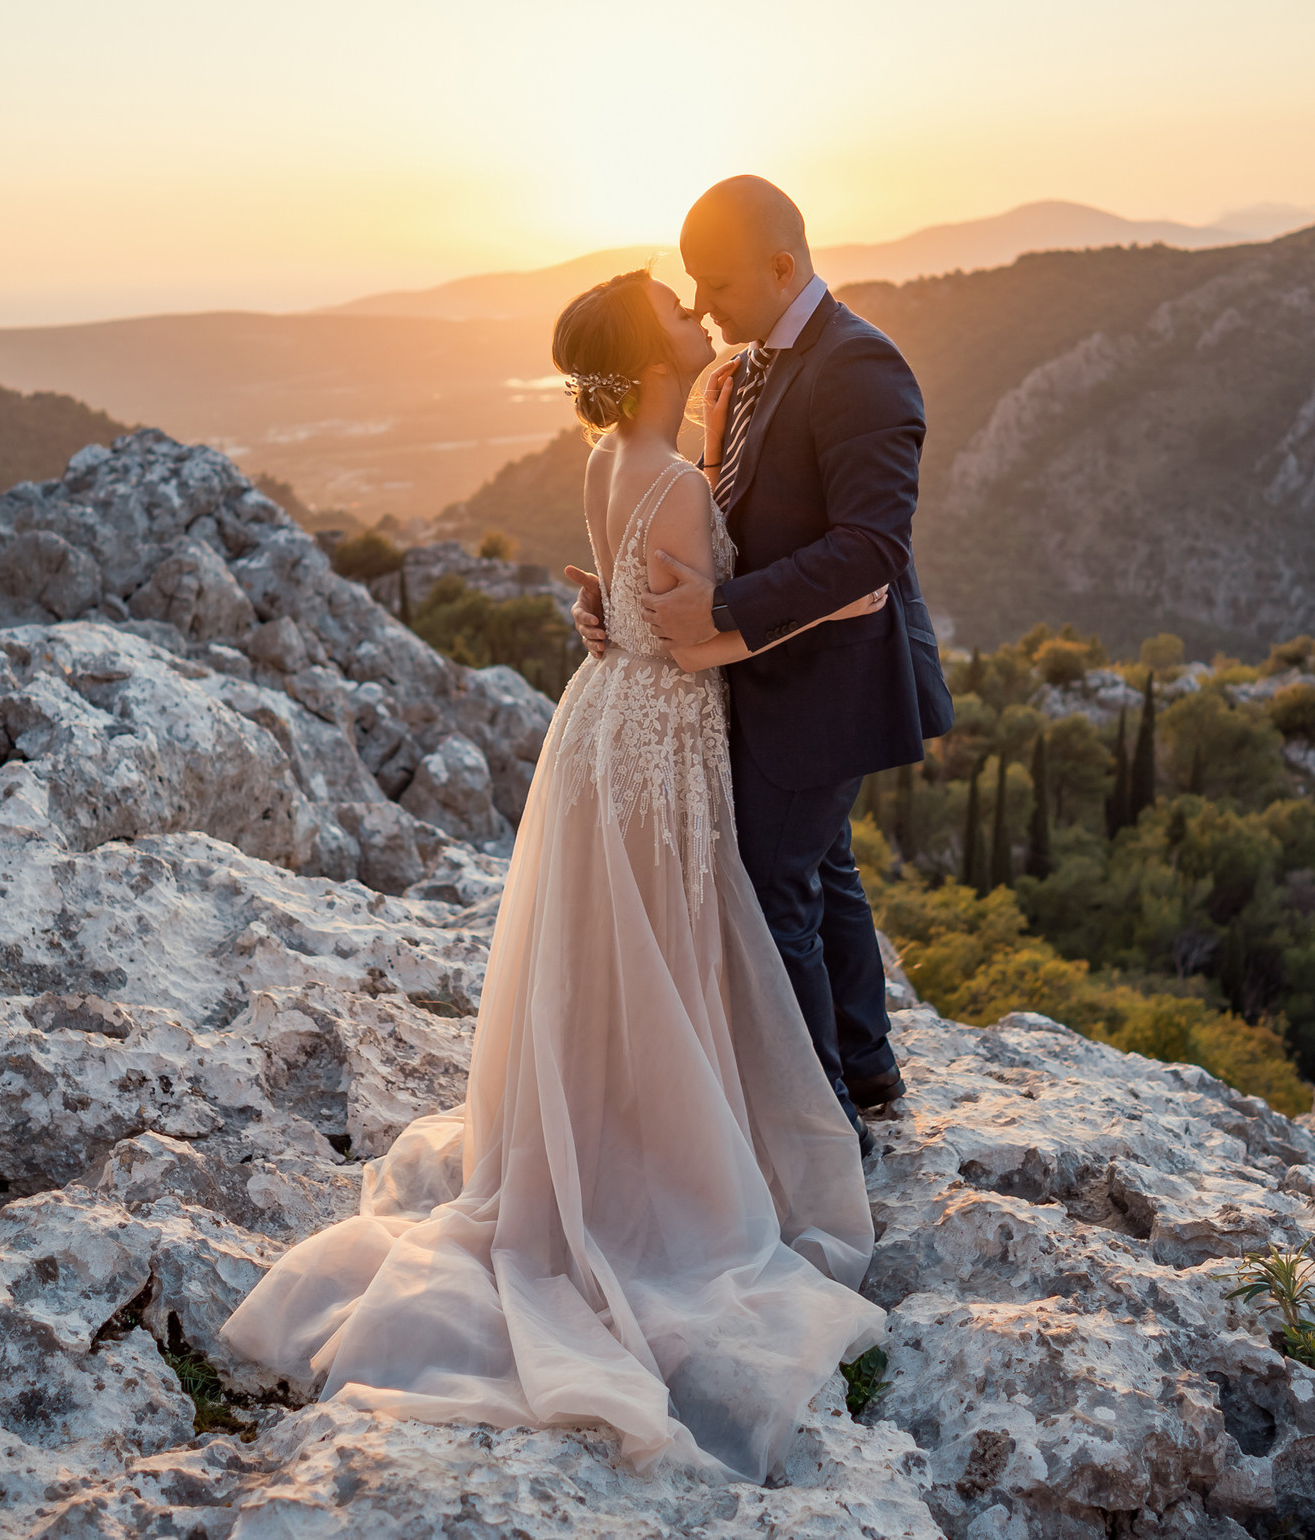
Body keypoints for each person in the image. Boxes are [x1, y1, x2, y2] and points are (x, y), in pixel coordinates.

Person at [221, 263, 891, 1483]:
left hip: (601, 725)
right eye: (678, 316)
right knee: (664, 939)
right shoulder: (679, 479)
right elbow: (693, 636)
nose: (698, 320)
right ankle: (661, 1154)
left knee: (617, 946)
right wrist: (844, 613)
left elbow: (633, 603)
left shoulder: (603, 461)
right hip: (660, 730)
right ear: (645, 361)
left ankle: (613, 1120)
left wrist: (615, 618)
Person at [573, 176, 953, 1144]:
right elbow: (722, 515)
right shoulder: (743, 370)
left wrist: (721, 611)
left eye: (716, 283)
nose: (700, 305)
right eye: (687, 288)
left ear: (783, 268)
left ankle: (817, 1128)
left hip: (827, 682)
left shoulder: (861, 367)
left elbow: (873, 546)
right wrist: (625, 600)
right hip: (766, 677)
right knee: (822, 869)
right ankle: (863, 1072)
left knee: (771, 884)